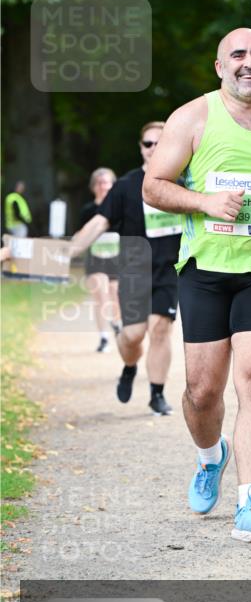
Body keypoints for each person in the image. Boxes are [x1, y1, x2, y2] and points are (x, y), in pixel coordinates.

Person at [142, 27, 251, 545]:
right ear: (219, 66)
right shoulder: (193, 117)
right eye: (237, 55)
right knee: (202, 393)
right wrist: (204, 203)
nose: (249, 62)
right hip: (205, 270)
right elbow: (155, 184)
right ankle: (210, 456)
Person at [70, 123, 180, 416]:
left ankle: (157, 394)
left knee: (160, 329)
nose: (154, 148)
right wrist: (67, 251)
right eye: (148, 143)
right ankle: (129, 366)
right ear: (140, 147)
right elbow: (99, 222)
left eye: (160, 142)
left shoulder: (184, 182)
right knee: (133, 335)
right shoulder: (125, 186)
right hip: (134, 270)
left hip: (169, 270)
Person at [78, 167, 122, 353]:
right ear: (94, 187)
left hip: (116, 257)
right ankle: (104, 337)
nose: (104, 186)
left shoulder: (119, 207)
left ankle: (117, 324)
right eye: (100, 183)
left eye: (107, 182)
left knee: (115, 293)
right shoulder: (88, 210)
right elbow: (82, 234)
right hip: (95, 258)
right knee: (100, 292)